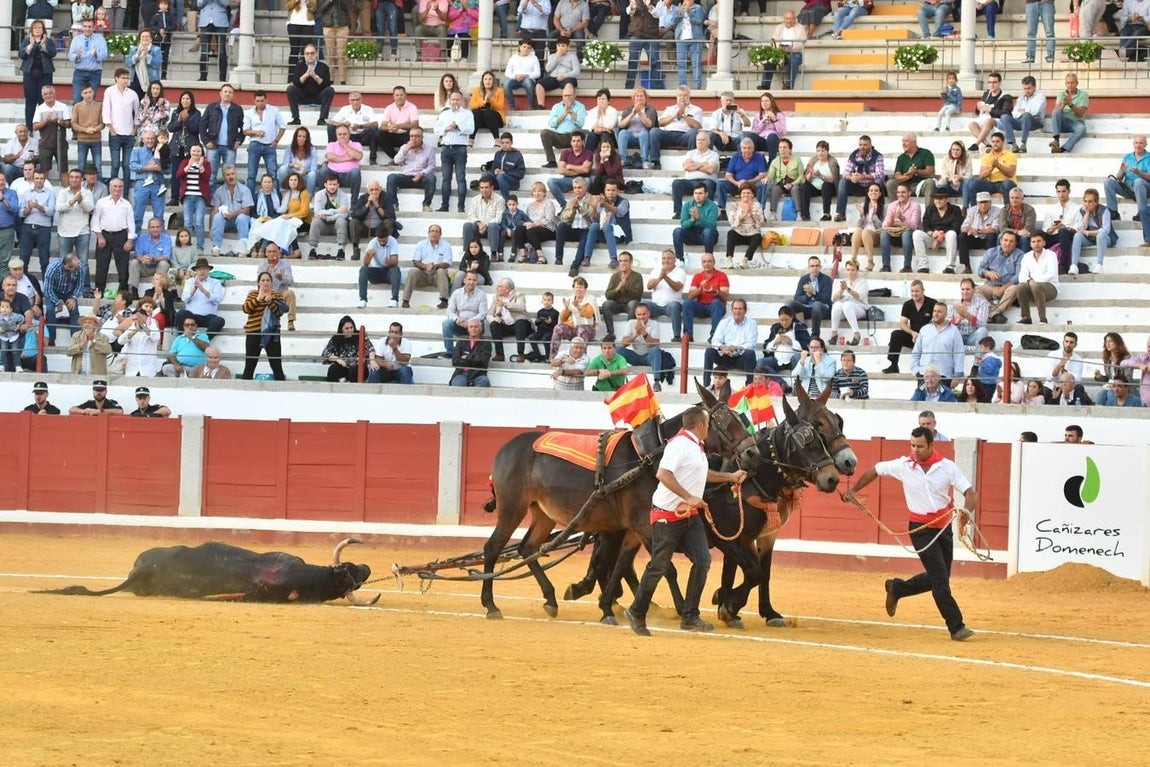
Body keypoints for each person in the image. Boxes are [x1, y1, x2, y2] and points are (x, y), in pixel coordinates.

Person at [845, 427, 977, 641]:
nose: (914, 450)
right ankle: (956, 626)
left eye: (919, 446)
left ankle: (897, 588)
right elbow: (875, 470)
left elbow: (971, 494)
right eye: (912, 445)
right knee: (940, 581)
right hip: (920, 530)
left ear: (931, 446)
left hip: (943, 528)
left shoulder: (947, 467)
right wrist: (854, 491)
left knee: (939, 577)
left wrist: (966, 514)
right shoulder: (903, 465)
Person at [625, 406, 748, 637]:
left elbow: (703, 475)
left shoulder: (695, 446)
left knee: (702, 561)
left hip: (688, 515)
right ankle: (636, 611)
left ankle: (690, 615)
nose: (709, 429)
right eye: (708, 425)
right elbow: (663, 474)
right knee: (659, 566)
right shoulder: (679, 445)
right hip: (667, 515)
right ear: (700, 425)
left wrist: (730, 477)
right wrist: (689, 496)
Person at [90, 178, 136, 296]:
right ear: (110, 187)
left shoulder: (127, 204)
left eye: (120, 186)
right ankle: (99, 290)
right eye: (115, 186)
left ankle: (123, 292)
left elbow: (131, 223)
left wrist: (130, 240)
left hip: (121, 236)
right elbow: (95, 220)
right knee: (101, 264)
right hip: (104, 235)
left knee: (123, 265)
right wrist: (99, 236)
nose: (117, 189)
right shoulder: (101, 202)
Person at [239, 271, 287, 381]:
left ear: (271, 282)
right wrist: (258, 299)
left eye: (268, 280)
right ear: (259, 283)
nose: (265, 283)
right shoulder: (252, 294)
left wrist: (270, 302)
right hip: (253, 332)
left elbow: (279, 313)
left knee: (277, 366)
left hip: (271, 334)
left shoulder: (277, 295)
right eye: (263, 280)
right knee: (249, 365)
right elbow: (246, 309)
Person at [1104, 135, 1150, 246]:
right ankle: (1113, 212)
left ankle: (1141, 212)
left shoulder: (1149, 157)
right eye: (1136, 143)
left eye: (1141, 143)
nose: (1138, 145)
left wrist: (1139, 173)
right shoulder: (1128, 157)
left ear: (1145, 145)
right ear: (1133, 144)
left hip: (1144, 187)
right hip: (1128, 187)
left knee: (1138, 182)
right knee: (1108, 182)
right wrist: (1122, 171)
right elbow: (1119, 178)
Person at [883, 279, 936, 375]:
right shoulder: (908, 304)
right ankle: (893, 364)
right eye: (912, 291)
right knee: (896, 334)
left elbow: (937, 323)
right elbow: (902, 323)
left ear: (923, 290)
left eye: (917, 291)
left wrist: (923, 335)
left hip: (928, 338)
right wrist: (912, 333)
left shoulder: (932, 303)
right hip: (913, 337)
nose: (914, 294)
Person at [435, 91, 473, 213]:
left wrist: (458, 127)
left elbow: (471, 129)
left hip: (460, 148)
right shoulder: (444, 114)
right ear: (449, 100)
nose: (455, 102)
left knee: (460, 177)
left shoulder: (467, 114)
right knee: (446, 178)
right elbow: (436, 129)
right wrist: (446, 128)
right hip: (446, 147)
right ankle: (444, 205)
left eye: (457, 99)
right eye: (453, 99)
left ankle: (461, 207)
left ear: (461, 100)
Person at [704, 298, 757, 385]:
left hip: (741, 358)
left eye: (740, 309)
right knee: (709, 351)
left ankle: (749, 386)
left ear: (745, 311)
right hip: (725, 356)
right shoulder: (724, 322)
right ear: (732, 310)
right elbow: (715, 340)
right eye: (735, 309)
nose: (737, 311)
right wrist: (723, 347)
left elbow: (751, 344)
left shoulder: (752, 323)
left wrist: (736, 348)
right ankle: (706, 385)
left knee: (750, 353)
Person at [198, 84, 244, 184]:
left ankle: (228, 199)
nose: (227, 94)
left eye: (230, 92)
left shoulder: (237, 109)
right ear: (220, 93)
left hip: (230, 146)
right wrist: (206, 141)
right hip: (213, 146)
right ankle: (211, 199)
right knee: (211, 175)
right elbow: (202, 125)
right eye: (225, 92)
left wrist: (239, 141)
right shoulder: (211, 107)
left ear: (233, 95)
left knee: (229, 176)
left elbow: (244, 127)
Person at [386, 127, 437, 214]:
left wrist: (422, 174)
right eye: (411, 136)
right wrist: (407, 149)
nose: (414, 138)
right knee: (391, 177)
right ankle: (394, 204)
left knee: (432, 178)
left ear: (422, 137)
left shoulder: (429, 150)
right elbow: (396, 161)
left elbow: (432, 166)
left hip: (421, 177)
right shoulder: (404, 147)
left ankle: (426, 205)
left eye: (417, 136)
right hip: (405, 176)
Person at [402, 224, 452, 309]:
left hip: (437, 276)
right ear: (428, 233)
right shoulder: (421, 244)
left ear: (440, 234)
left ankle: (444, 301)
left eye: (437, 231)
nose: (434, 233)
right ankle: (405, 301)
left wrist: (434, 266)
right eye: (432, 231)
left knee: (441, 271)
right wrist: (426, 266)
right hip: (423, 274)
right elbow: (415, 261)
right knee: (412, 272)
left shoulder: (446, 246)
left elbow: (447, 263)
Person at [681, 250, 727, 342]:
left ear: (714, 263)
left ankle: (715, 335)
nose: (707, 264)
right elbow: (690, 296)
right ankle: (688, 335)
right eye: (704, 261)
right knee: (687, 303)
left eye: (709, 261)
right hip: (701, 306)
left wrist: (716, 292)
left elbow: (725, 296)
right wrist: (700, 288)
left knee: (716, 302)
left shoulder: (722, 275)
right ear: (701, 263)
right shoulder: (697, 276)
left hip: (716, 308)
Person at [759, 305, 810, 389]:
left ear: (792, 317)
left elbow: (807, 346)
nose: (784, 322)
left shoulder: (799, 328)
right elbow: (766, 347)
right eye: (781, 320)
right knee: (761, 363)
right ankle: (782, 384)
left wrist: (792, 342)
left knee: (799, 357)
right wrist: (774, 343)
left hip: (793, 360)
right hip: (777, 360)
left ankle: (797, 385)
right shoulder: (775, 328)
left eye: (786, 320)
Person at [209, 165, 254, 257]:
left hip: (239, 219)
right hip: (225, 220)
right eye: (228, 175)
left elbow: (246, 210)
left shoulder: (244, 190)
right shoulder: (219, 191)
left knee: (242, 218)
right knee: (217, 216)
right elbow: (214, 210)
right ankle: (216, 246)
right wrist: (210, 229)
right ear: (224, 177)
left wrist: (233, 214)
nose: (231, 177)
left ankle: (243, 248)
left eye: (232, 174)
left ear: (236, 174)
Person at [1015, 233, 1059, 325]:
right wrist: (1030, 281)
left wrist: (1034, 282)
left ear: (1044, 243)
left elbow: (1051, 274)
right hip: (1033, 287)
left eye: (1039, 241)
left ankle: (1043, 319)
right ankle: (1026, 317)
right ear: (1030, 244)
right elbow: (1022, 276)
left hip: (1051, 287)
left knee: (1036, 286)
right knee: (1020, 286)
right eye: (1033, 242)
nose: (1036, 244)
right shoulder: (1026, 256)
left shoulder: (1051, 255)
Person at [286, 45, 335, 126]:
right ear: (304, 55)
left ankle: (322, 119)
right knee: (290, 89)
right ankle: (296, 118)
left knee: (330, 90)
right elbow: (296, 83)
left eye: (312, 53)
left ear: (316, 54)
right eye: (307, 53)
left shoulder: (323, 67)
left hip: (318, 96)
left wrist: (315, 76)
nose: (310, 56)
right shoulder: (299, 66)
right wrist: (306, 75)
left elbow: (327, 85)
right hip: (303, 96)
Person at [914, 190, 962, 274]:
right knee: (917, 234)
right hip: (932, 237)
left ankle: (950, 266)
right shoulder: (930, 209)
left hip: (947, 239)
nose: (937, 201)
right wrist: (933, 234)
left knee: (952, 234)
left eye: (940, 199)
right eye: (936, 199)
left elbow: (956, 227)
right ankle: (923, 265)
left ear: (947, 200)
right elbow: (926, 226)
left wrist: (939, 237)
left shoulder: (955, 210)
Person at [176, 257, 226, 337]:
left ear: (208, 270)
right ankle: (182, 339)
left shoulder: (216, 282)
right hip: (192, 316)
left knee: (219, 321)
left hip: (208, 317)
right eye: (199, 269)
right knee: (181, 313)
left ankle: (204, 340)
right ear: (195, 271)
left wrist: (203, 290)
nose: (202, 271)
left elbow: (217, 299)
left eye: (204, 269)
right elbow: (184, 299)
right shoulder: (189, 282)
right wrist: (193, 290)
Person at [1069, 188, 1114, 275]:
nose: (1087, 204)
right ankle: (1074, 265)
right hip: (1090, 238)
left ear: (1096, 202)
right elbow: (1080, 228)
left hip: (1105, 239)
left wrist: (1089, 233)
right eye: (1085, 201)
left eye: (1090, 201)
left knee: (1101, 235)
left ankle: (1099, 265)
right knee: (1077, 236)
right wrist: (1087, 214)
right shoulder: (1082, 211)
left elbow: (1106, 230)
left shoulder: (1104, 211)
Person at [643, 249, 685, 342]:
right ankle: (640, 334)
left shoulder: (680, 272)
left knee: (674, 306)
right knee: (642, 305)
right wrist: (660, 278)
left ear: (675, 260)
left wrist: (666, 277)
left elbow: (677, 287)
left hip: (671, 305)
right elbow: (649, 286)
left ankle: (677, 336)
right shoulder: (656, 270)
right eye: (664, 258)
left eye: (669, 258)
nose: (666, 261)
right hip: (655, 305)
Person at [328, 92, 380, 166]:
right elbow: (332, 122)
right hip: (348, 137)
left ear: (361, 100)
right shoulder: (345, 109)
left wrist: (360, 126)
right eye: (352, 100)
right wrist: (343, 124)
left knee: (374, 130)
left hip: (363, 136)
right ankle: (332, 153)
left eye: (357, 100)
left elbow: (375, 123)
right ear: (349, 101)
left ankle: (372, 158)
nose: (355, 102)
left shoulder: (368, 109)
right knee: (331, 127)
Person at [880, 183, 922, 274]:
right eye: (898, 192)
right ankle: (886, 265)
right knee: (884, 234)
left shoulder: (915, 206)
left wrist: (903, 219)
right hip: (895, 234)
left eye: (903, 192)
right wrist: (891, 221)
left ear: (909, 193)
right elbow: (884, 225)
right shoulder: (892, 205)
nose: (900, 194)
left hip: (909, 236)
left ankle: (907, 266)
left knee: (906, 233)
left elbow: (914, 226)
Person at [358, 223, 401, 309]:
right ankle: (363, 299)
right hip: (376, 272)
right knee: (363, 269)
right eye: (379, 240)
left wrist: (389, 261)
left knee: (396, 269)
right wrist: (368, 255)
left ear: (387, 236)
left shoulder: (393, 241)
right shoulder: (373, 243)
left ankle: (394, 299)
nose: (381, 242)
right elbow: (365, 264)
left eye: (384, 240)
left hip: (389, 271)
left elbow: (395, 261)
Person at [308, 173, 351, 261]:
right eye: (330, 184)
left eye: (334, 184)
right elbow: (317, 212)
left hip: (336, 224)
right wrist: (336, 211)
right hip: (323, 224)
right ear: (325, 184)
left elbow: (344, 213)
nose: (332, 187)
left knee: (342, 220)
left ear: (338, 185)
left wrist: (327, 217)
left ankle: (341, 250)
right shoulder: (319, 194)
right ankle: (312, 249)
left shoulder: (343, 195)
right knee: (315, 221)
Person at [997, 75, 1045, 154]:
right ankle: (1013, 144)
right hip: (1020, 121)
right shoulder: (1020, 98)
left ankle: (1023, 144)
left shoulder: (1040, 96)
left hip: (1035, 123)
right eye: (1025, 88)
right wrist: (1025, 112)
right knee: (1004, 117)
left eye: (1029, 88)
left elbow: (1035, 111)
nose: (1027, 91)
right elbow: (1014, 113)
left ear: (1035, 87)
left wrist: (1024, 111)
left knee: (1026, 115)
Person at [788, 256, 833, 338]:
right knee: (789, 303)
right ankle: (796, 330)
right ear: (808, 268)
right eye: (812, 266)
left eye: (817, 266)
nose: (814, 268)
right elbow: (797, 298)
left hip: (822, 309)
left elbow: (826, 299)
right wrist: (808, 295)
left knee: (816, 304)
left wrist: (814, 293)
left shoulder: (827, 280)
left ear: (820, 267)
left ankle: (815, 335)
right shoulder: (804, 279)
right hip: (807, 308)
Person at [761, 10, 806, 90]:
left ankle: (788, 86)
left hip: (794, 52)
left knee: (793, 60)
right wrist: (779, 48)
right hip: (780, 52)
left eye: (791, 19)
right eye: (787, 19)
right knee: (769, 59)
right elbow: (773, 41)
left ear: (795, 19)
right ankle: (765, 85)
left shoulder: (800, 28)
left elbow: (801, 43)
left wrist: (791, 48)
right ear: (784, 19)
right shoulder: (779, 27)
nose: (789, 21)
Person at [827, 258, 869, 347]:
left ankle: (856, 334)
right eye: (848, 270)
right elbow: (833, 299)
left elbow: (859, 297)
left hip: (859, 308)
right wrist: (841, 290)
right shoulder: (838, 282)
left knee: (847, 304)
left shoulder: (863, 282)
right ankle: (834, 333)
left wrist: (847, 289)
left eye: (853, 270)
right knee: (837, 304)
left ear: (857, 271)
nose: (850, 272)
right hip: (843, 310)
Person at [967, 72, 1012, 152]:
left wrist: (991, 110)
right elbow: (979, 112)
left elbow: (1006, 113)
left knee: (989, 121)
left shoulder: (1006, 97)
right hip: (985, 117)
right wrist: (978, 107)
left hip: (998, 120)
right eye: (990, 82)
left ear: (1000, 83)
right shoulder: (986, 94)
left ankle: (976, 144)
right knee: (972, 124)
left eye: (994, 82)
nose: (992, 85)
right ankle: (987, 144)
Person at [462, 175, 506, 257]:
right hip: (478, 227)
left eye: (486, 187)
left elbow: (499, 218)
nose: (484, 190)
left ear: (492, 187)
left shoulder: (500, 200)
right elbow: (471, 215)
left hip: (491, 230)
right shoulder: (474, 200)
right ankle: (467, 254)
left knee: (494, 226)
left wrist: (485, 225)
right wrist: (479, 223)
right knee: (467, 226)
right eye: (481, 187)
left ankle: (493, 254)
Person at [31, 86, 70, 177]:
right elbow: (35, 126)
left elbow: (68, 124)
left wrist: (59, 121)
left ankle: (67, 191)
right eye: (45, 94)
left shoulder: (62, 106)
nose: (48, 96)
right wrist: (45, 120)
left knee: (64, 171)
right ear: (42, 96)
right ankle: (43, 190)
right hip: (45, 144)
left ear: (54, 94)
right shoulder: (40, 108)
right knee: (44, 171)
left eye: (50, 93)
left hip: (61, 143)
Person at [885, 132, 936, 202]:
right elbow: (897, 177)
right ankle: (896, 209)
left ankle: (929, 212)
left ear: (914, 142)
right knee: (890, 184)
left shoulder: (926, 153)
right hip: (905, 186)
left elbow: (931, 173)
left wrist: (916, 171)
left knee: (930, 182)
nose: (903, 143)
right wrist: (908, 176)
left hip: (922, 185)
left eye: (906, 141)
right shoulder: (901, 157)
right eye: (902, 141)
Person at [616, 87, 659, 170]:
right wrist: (632, 114)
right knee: (622, 133)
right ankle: (622, 160)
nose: (639, 98)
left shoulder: (650, 110)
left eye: (642, 96)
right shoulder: (628, 109)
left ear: (646, 98)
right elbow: (621, 125)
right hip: (630, 135)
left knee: (644, 133)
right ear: (633, 99)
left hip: (644, 136)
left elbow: (650, 124)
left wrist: (640, 113)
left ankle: (645, 161)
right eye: (637, 96)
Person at [320, 314, 371, 383]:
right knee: (333, 369)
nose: (350, 330)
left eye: (351, 327)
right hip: (343, 367)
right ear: (341, 330)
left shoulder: (360, 335)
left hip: (357, 367)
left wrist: (364, 357)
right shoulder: (336, 338)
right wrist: (337, 359)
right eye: (346, 328)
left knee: (354, 371)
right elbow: (325, 354)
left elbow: (370, 349)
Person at [725, 184, 765, 269]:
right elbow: (733, 224)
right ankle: (729, 259)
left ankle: (745, 260)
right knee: (731, 233)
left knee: (758, 236)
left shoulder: (757, 205)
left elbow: (760, 223)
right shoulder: (735, 205)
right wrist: (741, 217)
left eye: (748, 193)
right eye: (744, 193)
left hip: (752, 234)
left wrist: (752, 214)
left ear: (752, 195)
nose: (746, 195)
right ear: (740, 194)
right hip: (739, 233)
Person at [68, 20, 107, 105]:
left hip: (95, 73)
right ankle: (77, 118)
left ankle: (89, 118)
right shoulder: (76, 39)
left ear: (93, 28)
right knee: (77, 99)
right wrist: (77, 56)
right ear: (82, 27)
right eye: (85, 26)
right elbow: (70, 55)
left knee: (91, 99)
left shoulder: (100, 39)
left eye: (89, 27)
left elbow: (104, 55)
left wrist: (96, 54)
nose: (87, 29)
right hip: (80, 72)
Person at [323, 124, 364, 204]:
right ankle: (324, 199)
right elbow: (330, 157)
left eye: (344, 134)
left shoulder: (356, 144)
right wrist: (348, 158)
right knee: (323, 171)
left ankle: (354, 202)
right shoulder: (331, 145)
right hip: (332, 176)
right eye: (339, 134)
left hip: (348, 177)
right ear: (336, 135)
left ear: (349, 135)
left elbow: (358, 156)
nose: (342, 136)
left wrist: (345, 145)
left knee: (356, 172)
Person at [536, 37, 581, 109]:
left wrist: (564, 76)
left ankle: (568, 106)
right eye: (559, 46)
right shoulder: (552, 56)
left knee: (569, 85)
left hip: (567, 77)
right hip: (554, 77)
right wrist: (556, 58)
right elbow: (547, 69)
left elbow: (576, 72)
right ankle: (541, 106)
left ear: (568, 47)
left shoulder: (572, 56)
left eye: (563, 46)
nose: (560, 48)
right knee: (539, 84)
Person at [1049, 73, 1088, 155]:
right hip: (1062, 122)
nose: (1070, 85)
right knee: (1055, 111)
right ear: (1065, 84)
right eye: (1068, 83)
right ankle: (1056, 140)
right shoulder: (1061, 94)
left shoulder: (1083, 95)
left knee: (1082, 128)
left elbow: (1081, 113)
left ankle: (1063, 148)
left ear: (1077, 83)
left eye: (1072, 83)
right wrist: (1064, 104)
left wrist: (1070, 104)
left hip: (1075, 122)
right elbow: (1057, 111)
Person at [947, 277, 989, 350]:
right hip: (957, 337)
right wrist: (957, 320)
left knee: (983, 331)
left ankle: (973, 354)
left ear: (974, 290)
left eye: (968, 289)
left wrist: (967, 315)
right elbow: (946, 323)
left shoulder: (982, 303)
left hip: (972, 337)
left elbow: (981, 324)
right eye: (963, 289)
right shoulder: (954, 304)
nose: (965, 292)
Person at [450, 317, 493, 387]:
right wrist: (474, 358)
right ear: (468, 328)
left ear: (480, 328)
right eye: (471, 327)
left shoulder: (486, 344)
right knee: (457, 383)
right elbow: (455, 361)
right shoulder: (461, 342)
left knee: (484, 381)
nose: (473, 329)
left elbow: (483, 362)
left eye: (476, 327)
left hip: (478, 374)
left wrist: (466, 358)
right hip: (461, 373)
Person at [502, 39, 541, 111]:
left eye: (528, 48)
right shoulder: (513, 58)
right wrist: (515, 76)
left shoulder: (534, 58)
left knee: (528, 83)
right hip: (515, 79)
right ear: (520, 47)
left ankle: (531, 106)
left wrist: (526, 76)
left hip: (528, 78)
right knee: (506, 84)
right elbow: (507, 72)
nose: (526, 49)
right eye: (524, 47)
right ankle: (512, 107)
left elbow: (538, 73)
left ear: (531, 49)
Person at [1120, 336, 1150, 406]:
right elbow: (1123, 363)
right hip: (1145, 402)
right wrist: (1139, 365)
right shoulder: (1144, 358)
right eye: (1149, 346)